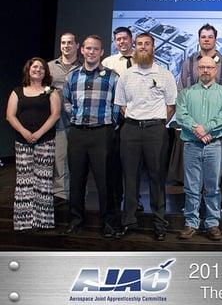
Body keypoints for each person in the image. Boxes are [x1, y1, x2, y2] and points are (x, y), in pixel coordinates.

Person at [115, 32, 177, 241]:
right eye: (139, 44)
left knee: (156, 177)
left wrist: (156, 123)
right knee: (129, 177)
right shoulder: (126, 75)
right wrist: (136, 121)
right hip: (130, 130)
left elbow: (171, 106)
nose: (143, 47)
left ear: (154, 47)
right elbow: (122, 106)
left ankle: (159, 222)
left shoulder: (164, 74)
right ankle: (129, 221)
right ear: (134, 47)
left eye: (147, 44)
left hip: (156, 131)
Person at [62, 35, 119, 238]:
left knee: (105, 182)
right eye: (88, 48)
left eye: (96, 49)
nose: (92, 52)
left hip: (102, 133)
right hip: (77, 133)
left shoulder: (112, 77)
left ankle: (109, 223)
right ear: (82, 51)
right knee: (76, 181)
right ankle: (76, 221)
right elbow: (66, 101)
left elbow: (117, 105)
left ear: (102, 52)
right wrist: (75, 115)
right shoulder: (72, 75)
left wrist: (109, 123)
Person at [178, 23, 222, 213]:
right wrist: (196, 127)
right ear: (199, 39)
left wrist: (210, 128)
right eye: (203, 36)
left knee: (219, 169)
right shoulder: (189, 62)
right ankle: (192, 209)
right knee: (192, 175)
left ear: (215, 39)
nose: (206, 39)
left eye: (210, 36)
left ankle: (218, 205)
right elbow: (181, 90)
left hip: (218, 128)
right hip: (192, 128)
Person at [176, 56, 222, 241]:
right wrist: (197, 130)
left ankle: (212, 223)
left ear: (215, 70)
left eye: (209, 67)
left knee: (213, 187)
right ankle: (191, 222)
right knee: (191, 187)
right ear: (197, 70)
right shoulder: (186, 93)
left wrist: (205, 128)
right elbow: (181, 116)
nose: (206, 70)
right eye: (202, 67)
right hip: (192, 145)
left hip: (214, 146)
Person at [6, 58, 60, 231]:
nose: (38, 70)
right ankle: (24, 221)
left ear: (46, 72)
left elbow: (55, 115)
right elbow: (10, 116)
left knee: (43, 181)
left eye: (41, 68)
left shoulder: (51, 91)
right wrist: (25, 132)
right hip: (23, 142)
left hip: (45, 140)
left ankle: (42, 221)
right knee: (24, 181)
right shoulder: (17, 91)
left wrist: (38, 133)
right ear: (28, 70)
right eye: (35, 67)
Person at [102, 27, 139, 213]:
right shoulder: (108, 62)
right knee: (116, 161)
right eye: (118, 39)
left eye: (125, 38)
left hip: (138, 116)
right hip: (116, 118)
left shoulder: (142, 59)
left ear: (132, 39)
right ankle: (118, 198)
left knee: (135, 163)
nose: (122, 42)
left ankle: (136, 199)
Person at [47, 32, 80, 204]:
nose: (66, 46)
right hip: (58, 119)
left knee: (78, 158)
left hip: (78, 118)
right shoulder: (50, 67)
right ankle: (60, 193)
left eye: (69, 43)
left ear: (77, 45)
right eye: (63, 43)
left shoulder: (83, 67)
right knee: (60, 157)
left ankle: (78, 191)